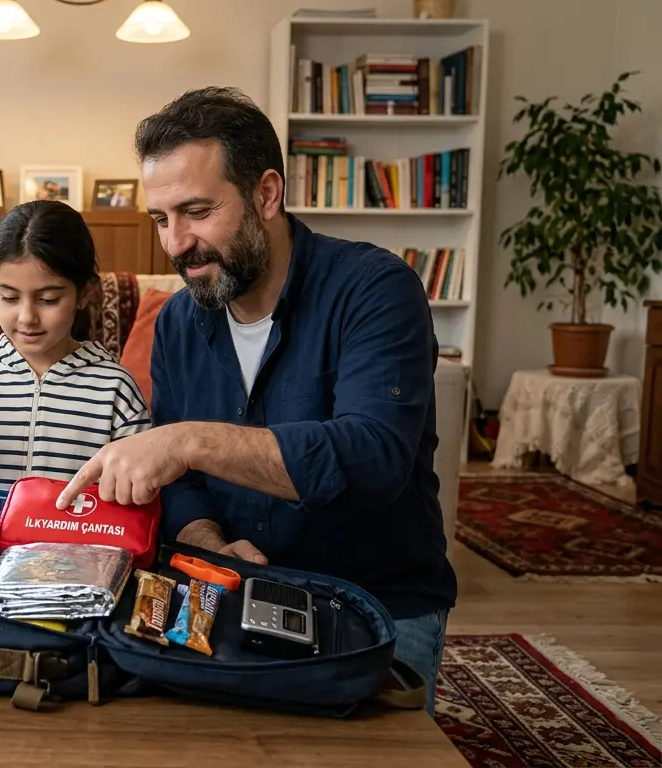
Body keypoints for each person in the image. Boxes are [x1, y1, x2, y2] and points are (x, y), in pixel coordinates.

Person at [56, 86, 457, 714]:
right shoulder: (179, 323)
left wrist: (187, 441)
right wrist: (209, 543)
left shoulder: (376, 289)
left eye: (196, 211)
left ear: (266, 194)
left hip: (372, 605)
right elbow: (183, 486)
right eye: (161, 219)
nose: (176, 244)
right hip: (230, 592)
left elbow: (375, 456)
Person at [0, 200, 150, 490]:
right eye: (10, 298)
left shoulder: (115, 390)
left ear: (85, 293)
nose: (27, 318)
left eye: (47, 300)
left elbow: (138, 495)